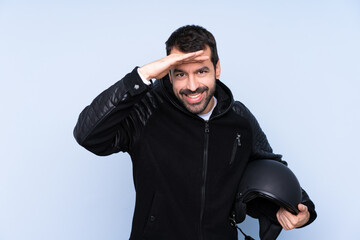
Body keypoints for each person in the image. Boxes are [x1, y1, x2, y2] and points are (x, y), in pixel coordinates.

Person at [73, 25, 316, 240]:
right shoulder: (147, 111)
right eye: (180, 73)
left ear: (217, 68)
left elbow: (268, 168)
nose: (192, 86)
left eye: (201, 71)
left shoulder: (239, 118)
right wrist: (141, 76)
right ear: (168, 73)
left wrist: (300, 208)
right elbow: (87, 134)